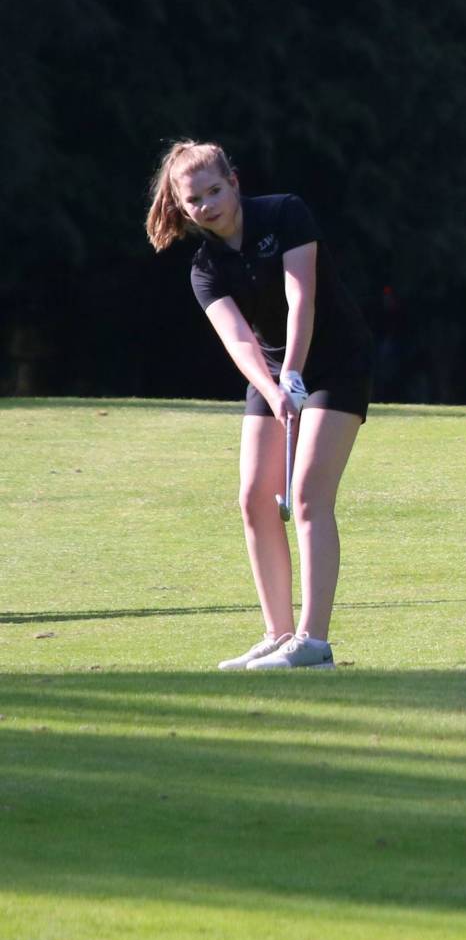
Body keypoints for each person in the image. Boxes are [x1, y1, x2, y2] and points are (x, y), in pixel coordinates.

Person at [146, 140, 373, 670]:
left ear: (235, 183)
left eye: (215, 190)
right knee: (253, 497)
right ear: (182, 208)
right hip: (270, 373)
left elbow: (302, 298)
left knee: (309, 493)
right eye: (194, 200)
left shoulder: (286, 214)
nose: (207, 205)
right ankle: (278, 633)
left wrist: (293, 371)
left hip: (334, 362)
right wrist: (274, 391)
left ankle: (313, 644)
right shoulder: (205, 267)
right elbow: (239, 341)